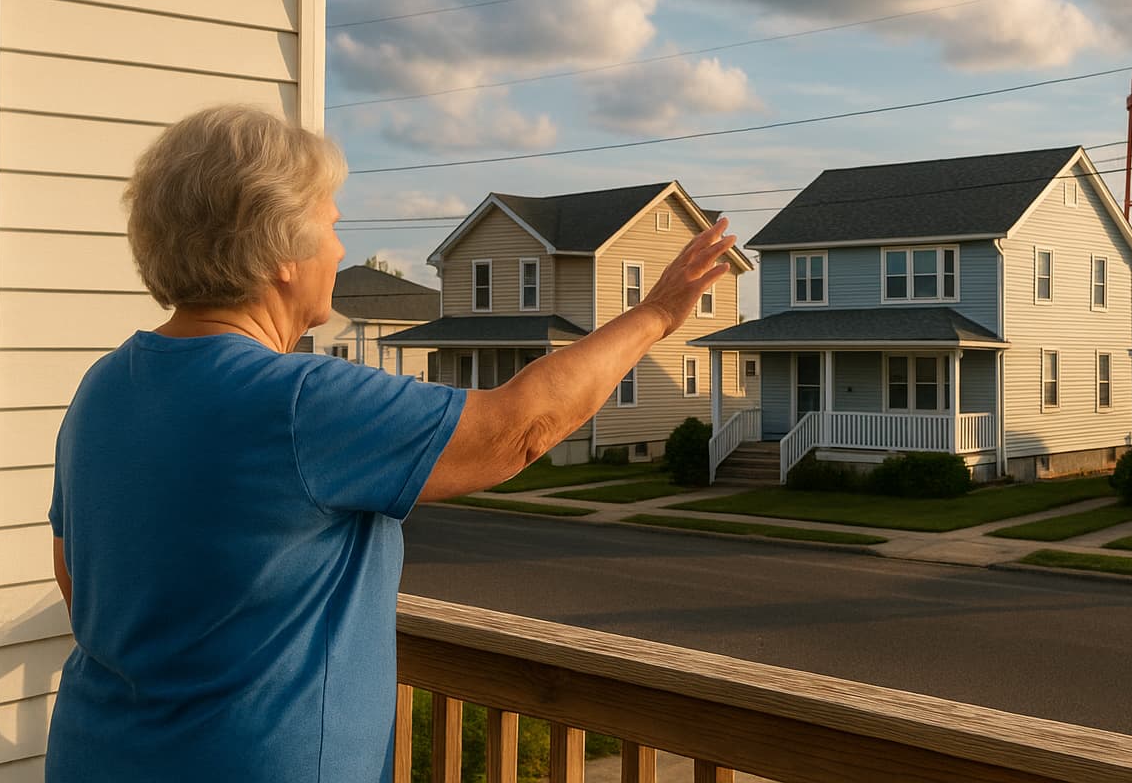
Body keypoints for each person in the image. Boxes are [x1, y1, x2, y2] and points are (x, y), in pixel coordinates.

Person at [46, 106, 734, 782]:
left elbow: (78, 581)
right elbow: (518, 428)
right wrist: (656, 314)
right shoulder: (299, 400)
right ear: (281, 251)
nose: (341, 250)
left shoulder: (106, 386)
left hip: (95, 754)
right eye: (331, 224)